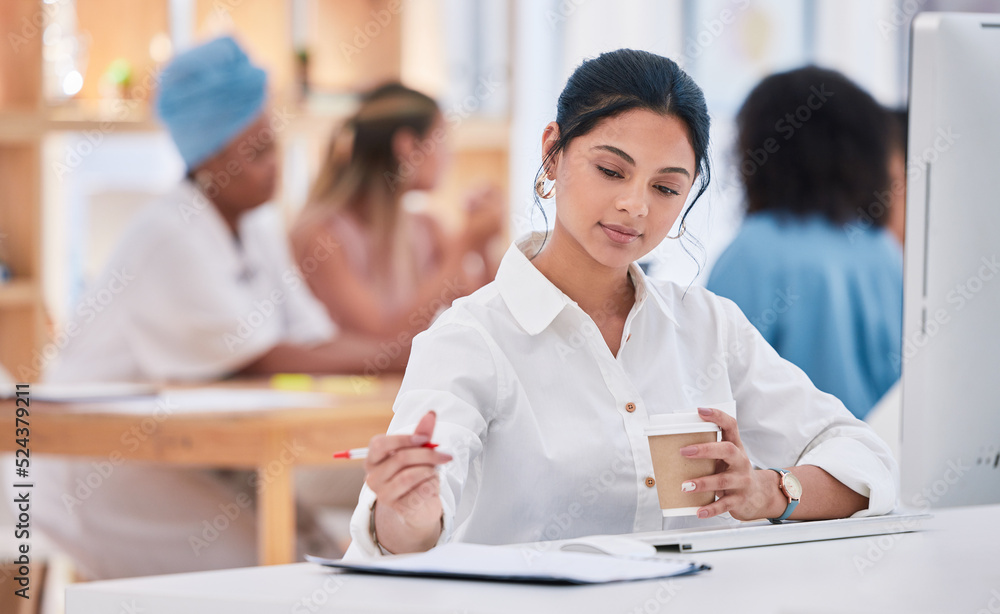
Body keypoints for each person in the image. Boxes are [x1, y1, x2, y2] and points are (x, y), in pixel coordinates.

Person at [343, 50, 898, 558]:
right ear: (552, 153)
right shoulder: (471, 338)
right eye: (611, 171)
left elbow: (865, 458)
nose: (634, 206)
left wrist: (770, 491)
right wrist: (409, 512)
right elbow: (397, 531)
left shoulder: (708, 325)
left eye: (666, 188)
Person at [31, 37, 400, 580]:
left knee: (321, 552)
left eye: (274, 146)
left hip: (203, 453)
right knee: (262, 570)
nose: (274, 167)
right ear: (207, 159)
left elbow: (311, 339)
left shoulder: (256, 225)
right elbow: (265, 357)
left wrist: (400, 354)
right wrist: (403, 352)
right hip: (104, 464)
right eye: (255, 155)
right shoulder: (168, 231)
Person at [706, 67, 903, 421]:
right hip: (878, 466)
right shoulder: (882, 250)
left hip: (784, 472)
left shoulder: (754, 252)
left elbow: (709, 388)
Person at [291, 83, 503, 346]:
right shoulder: (322, 236)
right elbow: (385, 340)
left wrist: (484, 245)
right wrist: (465, 245)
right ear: (408, 147)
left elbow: (489, 320)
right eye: (442, 140)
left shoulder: (427, 228)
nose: (449, 156)